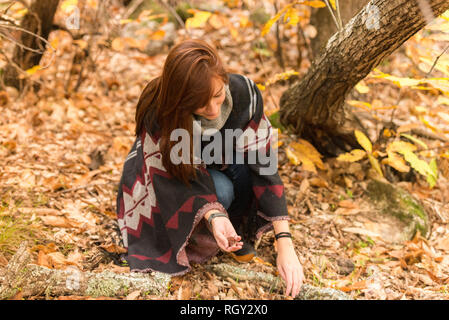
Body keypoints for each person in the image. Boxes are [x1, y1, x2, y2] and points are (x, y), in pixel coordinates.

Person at [116, 39, 304, 298]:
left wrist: (285, 244)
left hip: (224, 162)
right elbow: (169, 179)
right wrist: (214, 215)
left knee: (245, 167)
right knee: (222, 191)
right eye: (201, 105)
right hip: (180, 178)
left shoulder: (245, 95)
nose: (214, 111)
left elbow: (265, 165)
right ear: (181, 99)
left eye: (217, 95)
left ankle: (235, 230)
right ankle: (209, 231)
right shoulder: (160, 112)